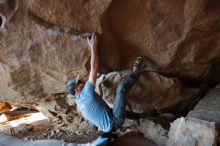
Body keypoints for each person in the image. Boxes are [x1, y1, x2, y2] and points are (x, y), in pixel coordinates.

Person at [67, 34, 153, 145]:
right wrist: (93, 46)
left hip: (109, 126)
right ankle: (136, 71)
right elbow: (94, 67)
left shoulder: (79, 101)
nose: (81, 81)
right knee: (121, 89)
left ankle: (142, 117)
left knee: (118, 109)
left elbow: (98, 99)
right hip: (114, 122)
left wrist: (98, 84)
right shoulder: (86, 91)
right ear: (77, 90)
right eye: (79, 83)